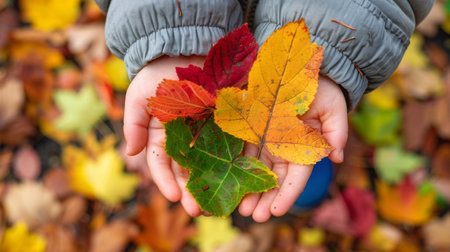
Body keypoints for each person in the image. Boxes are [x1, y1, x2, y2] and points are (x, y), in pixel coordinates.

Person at [94, 0, 434, 222]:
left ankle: (307, 168)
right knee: (289, 141)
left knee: (313, 133)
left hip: (323, 36)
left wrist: (331, 53)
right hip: (203, 37)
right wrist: (170, 29)